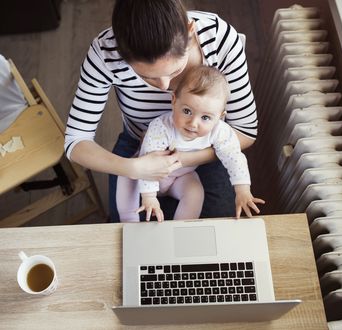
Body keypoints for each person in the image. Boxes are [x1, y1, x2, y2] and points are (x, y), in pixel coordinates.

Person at [64, 0, 258, 221]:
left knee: (218, 231)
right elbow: (75, 142)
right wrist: (134, 168)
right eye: (147, 77)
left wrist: (182, 159)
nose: (166, 88)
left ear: (190, 31)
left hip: (207, 146)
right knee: (127, 232)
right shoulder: (105, 53)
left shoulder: (219, 39)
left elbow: (245, 131)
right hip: (138, 147)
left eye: (176, 70)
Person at [116, 66, 264, 222]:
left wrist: (242, 190)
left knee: (195, 192)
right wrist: (149, 197)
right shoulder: (161, 127)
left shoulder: (220, 131)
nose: (193, 123)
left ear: (220, 117)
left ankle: (182, 226)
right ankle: (128, 220)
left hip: (180, 177)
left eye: (205, 118)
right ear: (174, 101)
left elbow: (234, 157)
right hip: (146, 173)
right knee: (126, 176)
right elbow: (148, 161)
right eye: (187, 111)